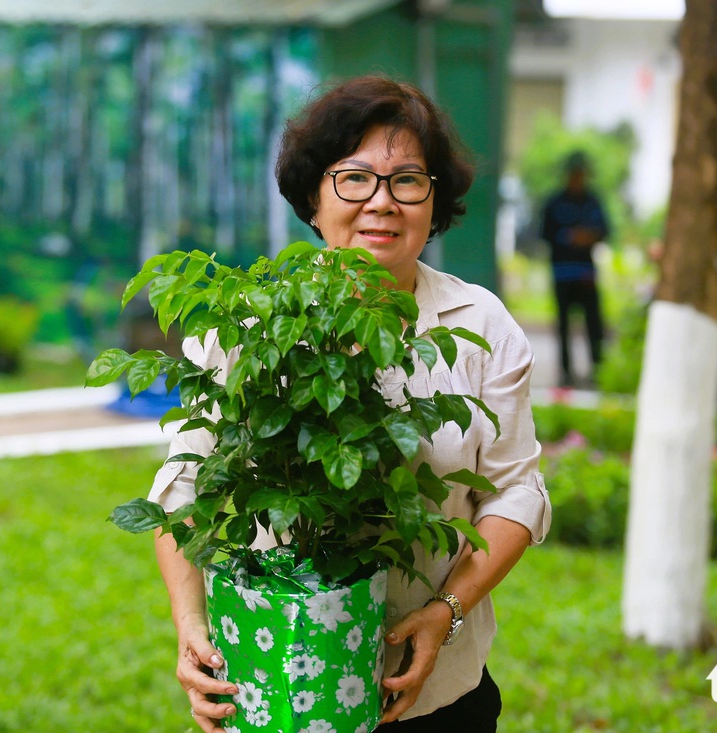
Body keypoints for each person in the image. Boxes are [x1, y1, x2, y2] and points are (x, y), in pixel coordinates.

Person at [148, 75, 551, 733]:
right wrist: (191, 625)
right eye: (355, 178)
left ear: (433, 198)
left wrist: (445, 610)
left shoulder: (481, 324)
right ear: (314, 196)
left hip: (439, 700)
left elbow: (515, 493)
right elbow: (183, 486)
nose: (382, 203)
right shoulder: (248, 325)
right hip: (275, 688)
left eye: (407, 180)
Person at [539, 151, 609, 387]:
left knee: (594, 323)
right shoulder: (555, 202)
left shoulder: (593, 201)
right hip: (562, 273)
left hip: (586, 273)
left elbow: (605, 230)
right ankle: (566, 372)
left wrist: (588, 237)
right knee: (564, 325)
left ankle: (598, 370)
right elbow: (544, 233)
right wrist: (568, 237)